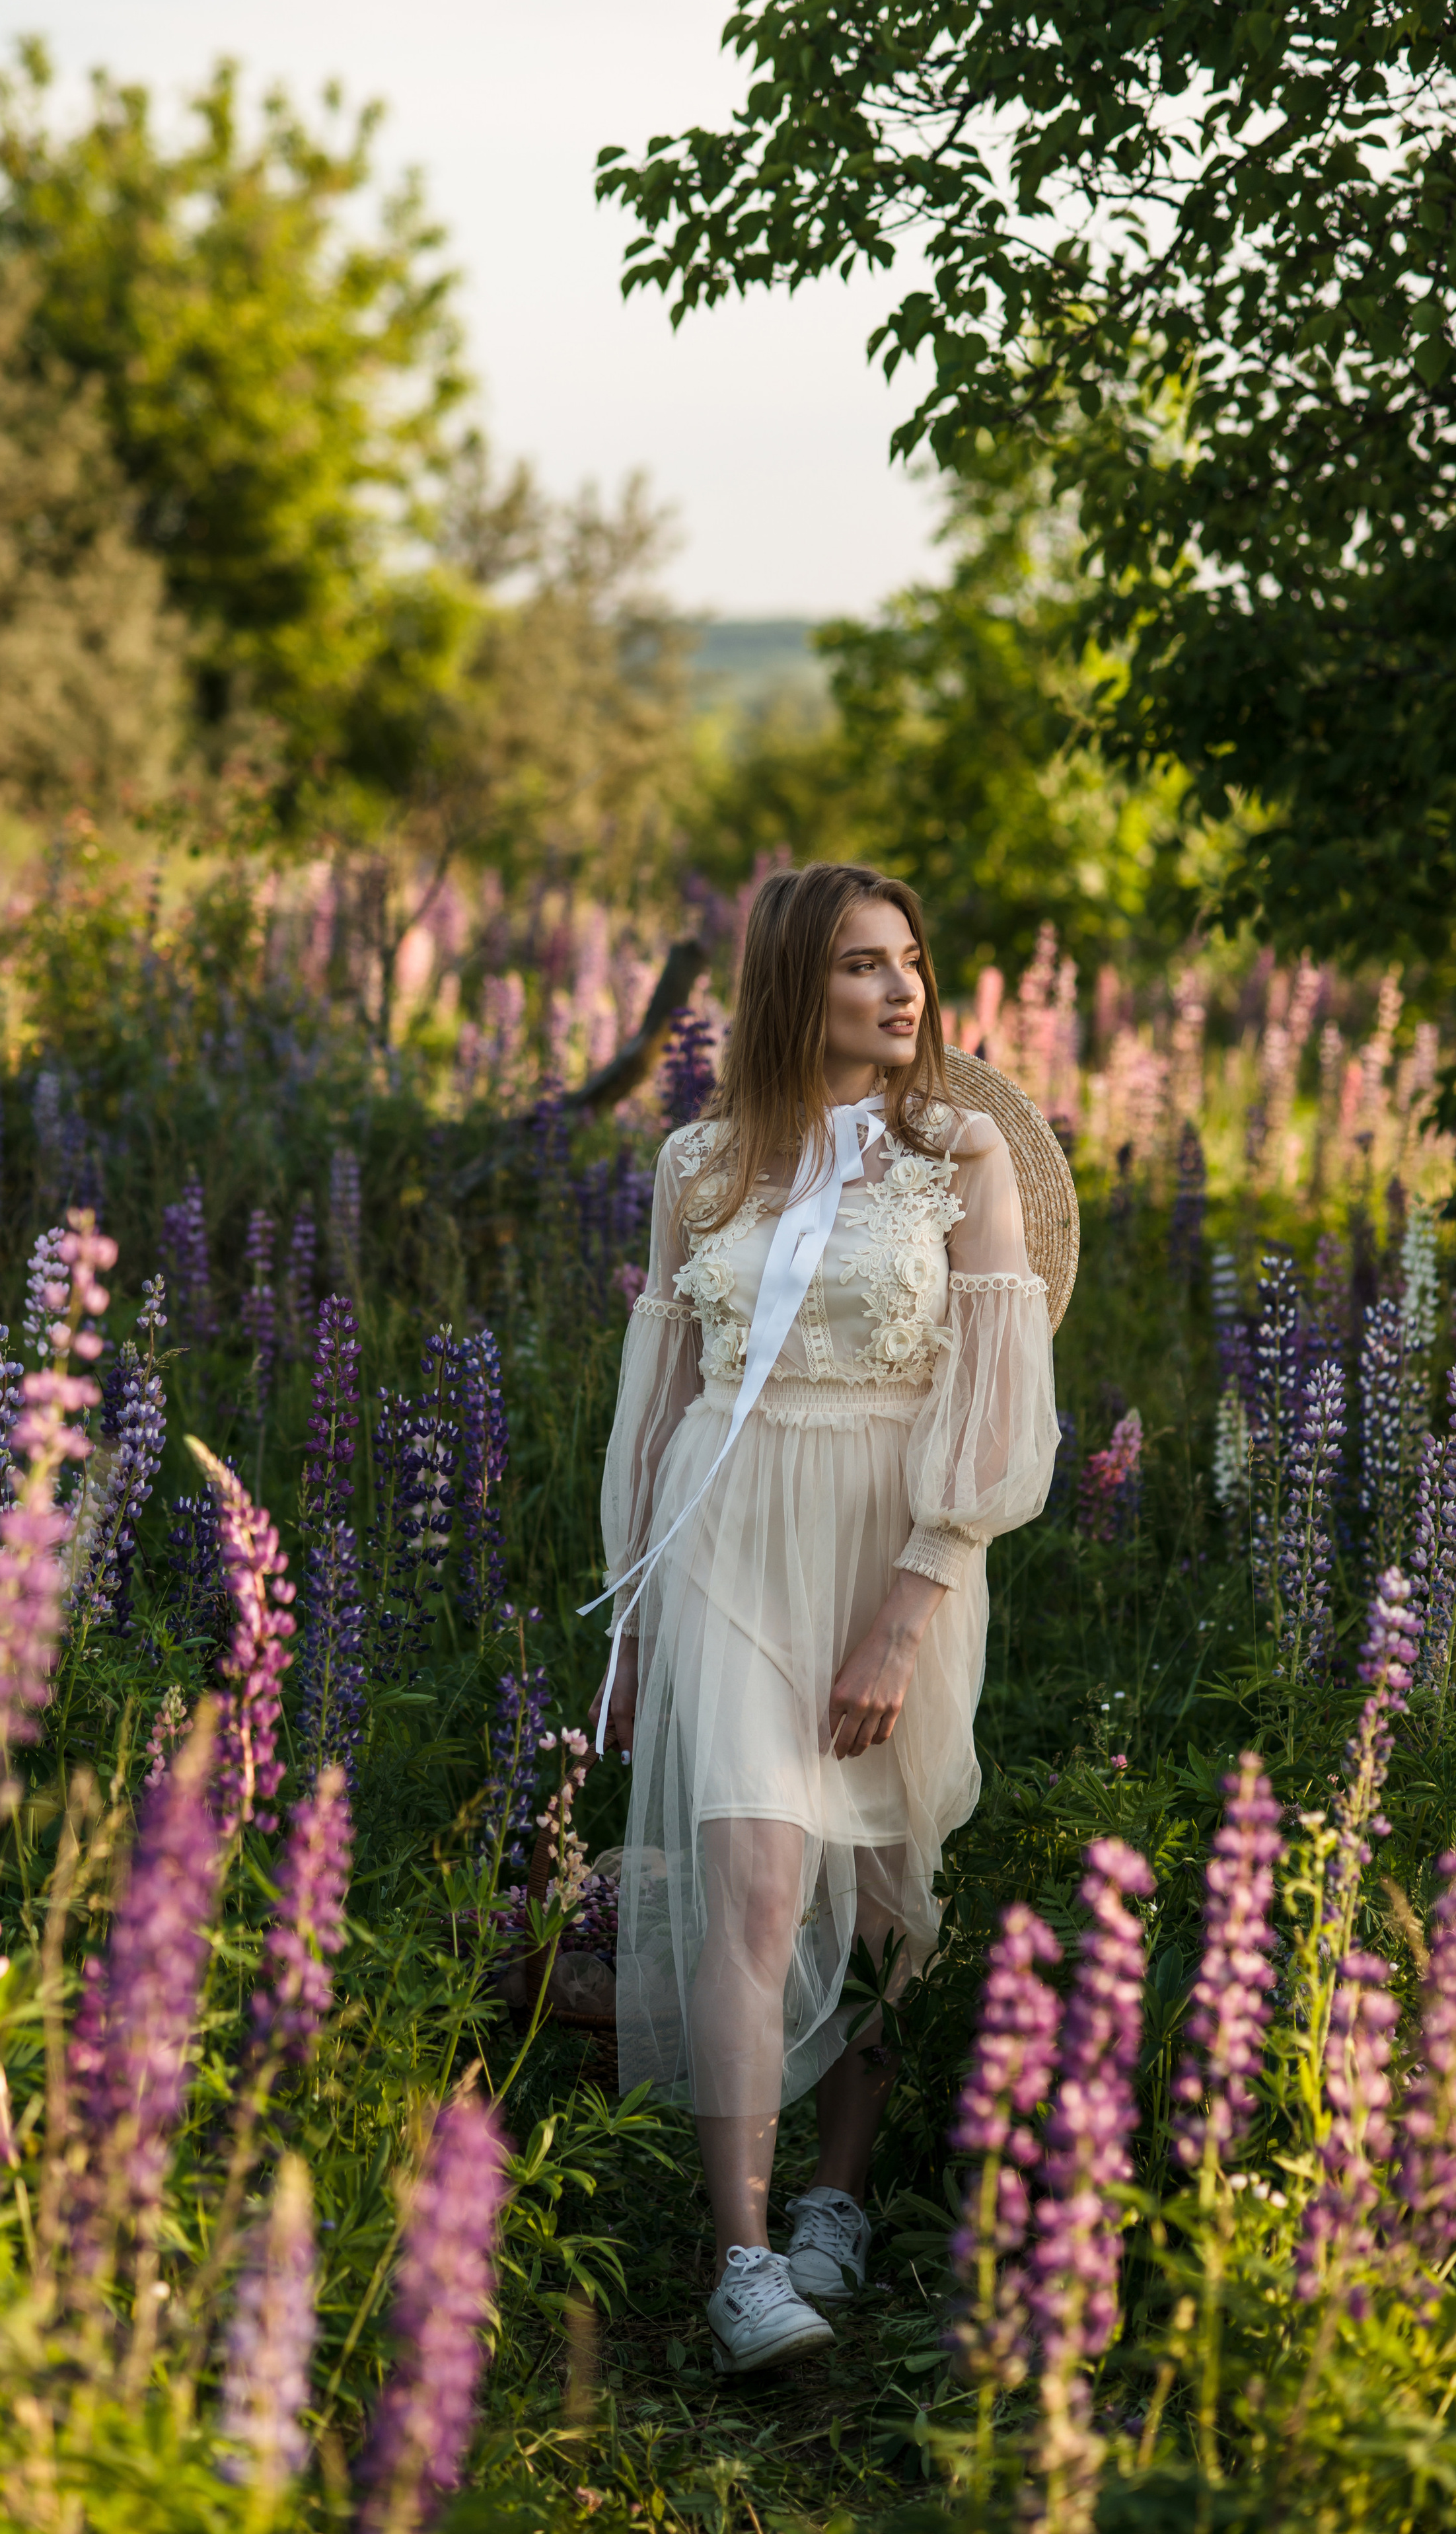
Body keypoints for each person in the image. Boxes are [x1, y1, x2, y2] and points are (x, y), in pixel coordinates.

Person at [588, 863, 1060, 2375]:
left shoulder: (957, 1152)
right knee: (749, 1867)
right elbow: (657, 1401)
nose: (901, 989)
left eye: (912, 960)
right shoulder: (698, 1164)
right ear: (796, 982)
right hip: (726, 1531)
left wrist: (907, 1608)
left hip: (890, 1535)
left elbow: (993, 1393)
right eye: (863, 965)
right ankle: (737, 2259)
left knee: (878, 1885)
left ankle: (834, 2194)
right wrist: (637, 1624)